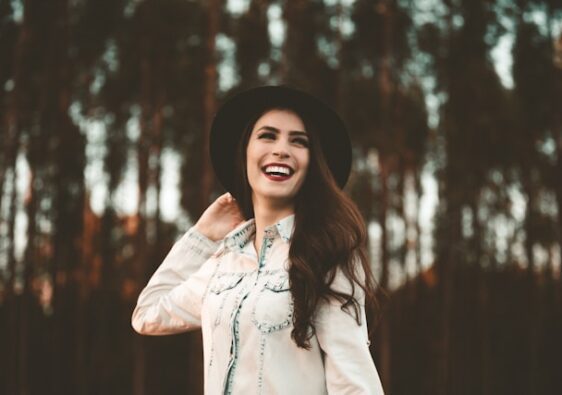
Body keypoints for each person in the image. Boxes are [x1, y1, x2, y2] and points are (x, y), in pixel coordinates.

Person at [131, 85, 385, 394]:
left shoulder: (328, 255)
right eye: (267, 135)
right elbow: (148, 314)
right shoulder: (224, 262)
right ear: (245, 152)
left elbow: (355, 385)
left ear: (311, 164)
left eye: (298, 141)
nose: (281, 149)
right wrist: (202, 236)